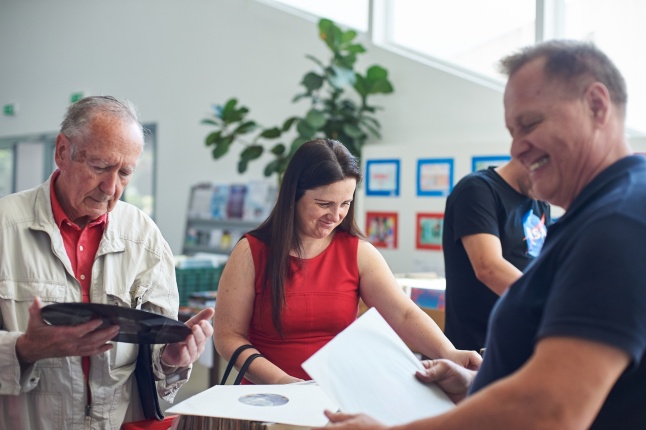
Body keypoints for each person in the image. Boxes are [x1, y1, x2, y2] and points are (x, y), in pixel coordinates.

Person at [323, 40, 646, 429]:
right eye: (512, 130)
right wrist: (477, 384)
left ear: (596, 105)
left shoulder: (617, 223)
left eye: (530, 124)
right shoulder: (594, 214)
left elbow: (551, 410)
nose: (516, 147)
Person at [0, 96, 215, 429]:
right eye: (99, 167)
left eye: (125, 173)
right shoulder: (5, 228)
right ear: (62, 152)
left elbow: (153, 361)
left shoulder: (145, 238)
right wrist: (23, 349)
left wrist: (170, 360)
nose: (111, 187)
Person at [213, 139, 481, 385]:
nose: (336, 215)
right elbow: (228, 336)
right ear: (293, 195)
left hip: (335, 396)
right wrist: (283, 382)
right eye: (324, 203)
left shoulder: (358, 253)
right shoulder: (251, 252)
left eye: (345, 204)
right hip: (265, 397)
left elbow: (403, 314)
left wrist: (449, 352)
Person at [443, 158, 550, 352]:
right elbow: (489, 267)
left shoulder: (539, 202)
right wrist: (552, 303)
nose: (549, 190)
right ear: (526, 155)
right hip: (477, 345)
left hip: (523, 339)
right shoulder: (477, 190)